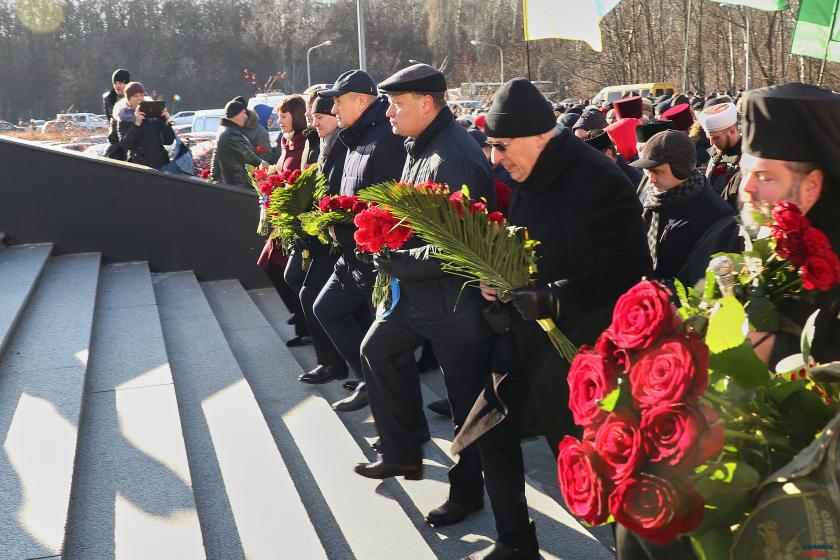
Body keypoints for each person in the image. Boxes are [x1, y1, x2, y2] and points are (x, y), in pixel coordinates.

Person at [453, 78, 652, 560]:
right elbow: (529, 245)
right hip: (526, 346)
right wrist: (500, 279)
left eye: (500, 146)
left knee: (605, 482)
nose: (494, 158)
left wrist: (555, 298)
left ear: (539, 136)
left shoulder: (598, 180)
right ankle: (516, 542)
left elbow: (631, 273)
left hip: (582, 359)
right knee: (490, 431)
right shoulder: (528, 173)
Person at [354, 63, 495, 529]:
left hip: (453, 305)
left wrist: (396, 259)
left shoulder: (454, 157)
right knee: (375, 349)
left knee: (466, 406)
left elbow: (463, 245)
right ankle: (401, 452)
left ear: (427, 104)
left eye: (396, 104)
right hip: (419, 297)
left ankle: (468, 493)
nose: (389, 112)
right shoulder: (422, 146)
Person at [311, 70, 407, 399]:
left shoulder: (385, 140)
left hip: (373, 258)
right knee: (326, 309)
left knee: (386, 348)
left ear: (361, 101)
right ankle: (371, 384)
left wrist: (345, 230)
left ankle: (393, 412)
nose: (334, 109)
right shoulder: (358, 135)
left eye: (338, 101)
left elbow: (384, 206)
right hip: (353, 253)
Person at [736, 83, 840, 366]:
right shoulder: (742, 235)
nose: (747, 188)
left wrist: (775, 352)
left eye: (765, 177)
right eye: (745, 172)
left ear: (811, 186)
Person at [296, 95, 353, 385]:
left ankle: (339, 364)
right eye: (314, 117)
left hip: (343, 237)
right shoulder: (324, 145)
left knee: (314, 297)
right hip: (327, 234)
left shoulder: (344, 145)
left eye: (321, 116)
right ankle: (336, 362)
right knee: (308, 292)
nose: (315, 122)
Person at [630, 130, 736, 285]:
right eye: (647, 170)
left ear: (682, 170)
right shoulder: (651, 194)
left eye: (658, 171)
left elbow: (702, 284)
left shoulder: (716, 216)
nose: (651, 179)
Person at [115, 82, 175, 170]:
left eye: (141, 95)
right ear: (128, 98)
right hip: (139, 168)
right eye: (135, 96)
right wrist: (137, 124)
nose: (139, 98)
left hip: (161, 166)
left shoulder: (154, 114)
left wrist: (166, 123)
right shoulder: (123, 118)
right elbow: (126, 145)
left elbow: (169, 141)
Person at [697, 101, 741, 209]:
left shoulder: (746, 160)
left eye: (716, 138)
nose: (711, 143)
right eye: (709, 138)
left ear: (732, 131)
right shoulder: (716, 150)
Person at [210, 98, 262, 187]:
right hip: (239, 184)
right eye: (243, 112)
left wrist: (214, 177)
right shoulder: (230, 133)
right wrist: (269, 168)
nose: (246, 116)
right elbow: (250, 158)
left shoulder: (225, 129)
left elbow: (215, 161)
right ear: (235, 114)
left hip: (231, 184)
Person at [103, 68, 130, 160]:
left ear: (127, 83)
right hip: (115, 141)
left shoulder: (137, 97)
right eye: (115, 83)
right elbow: (110, 119)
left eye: (121, 82)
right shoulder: (108, 99)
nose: (117, 85)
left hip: (132, 139)